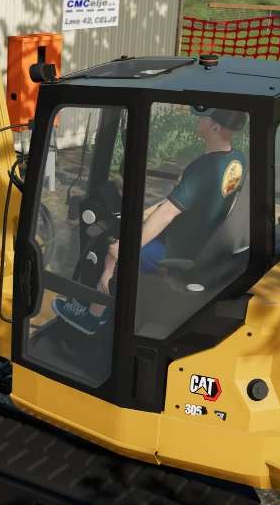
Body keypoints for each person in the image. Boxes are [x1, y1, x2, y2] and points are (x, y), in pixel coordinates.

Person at [54, 105, 248, 334]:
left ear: (215, 127)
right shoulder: (236, 159)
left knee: (113, 255)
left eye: (203, 118)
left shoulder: (203, 168)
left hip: (176, 249)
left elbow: (167, 213)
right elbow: (187, 200)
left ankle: (94, 317)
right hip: (201, 241)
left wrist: (126, 247)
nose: (198, 120)